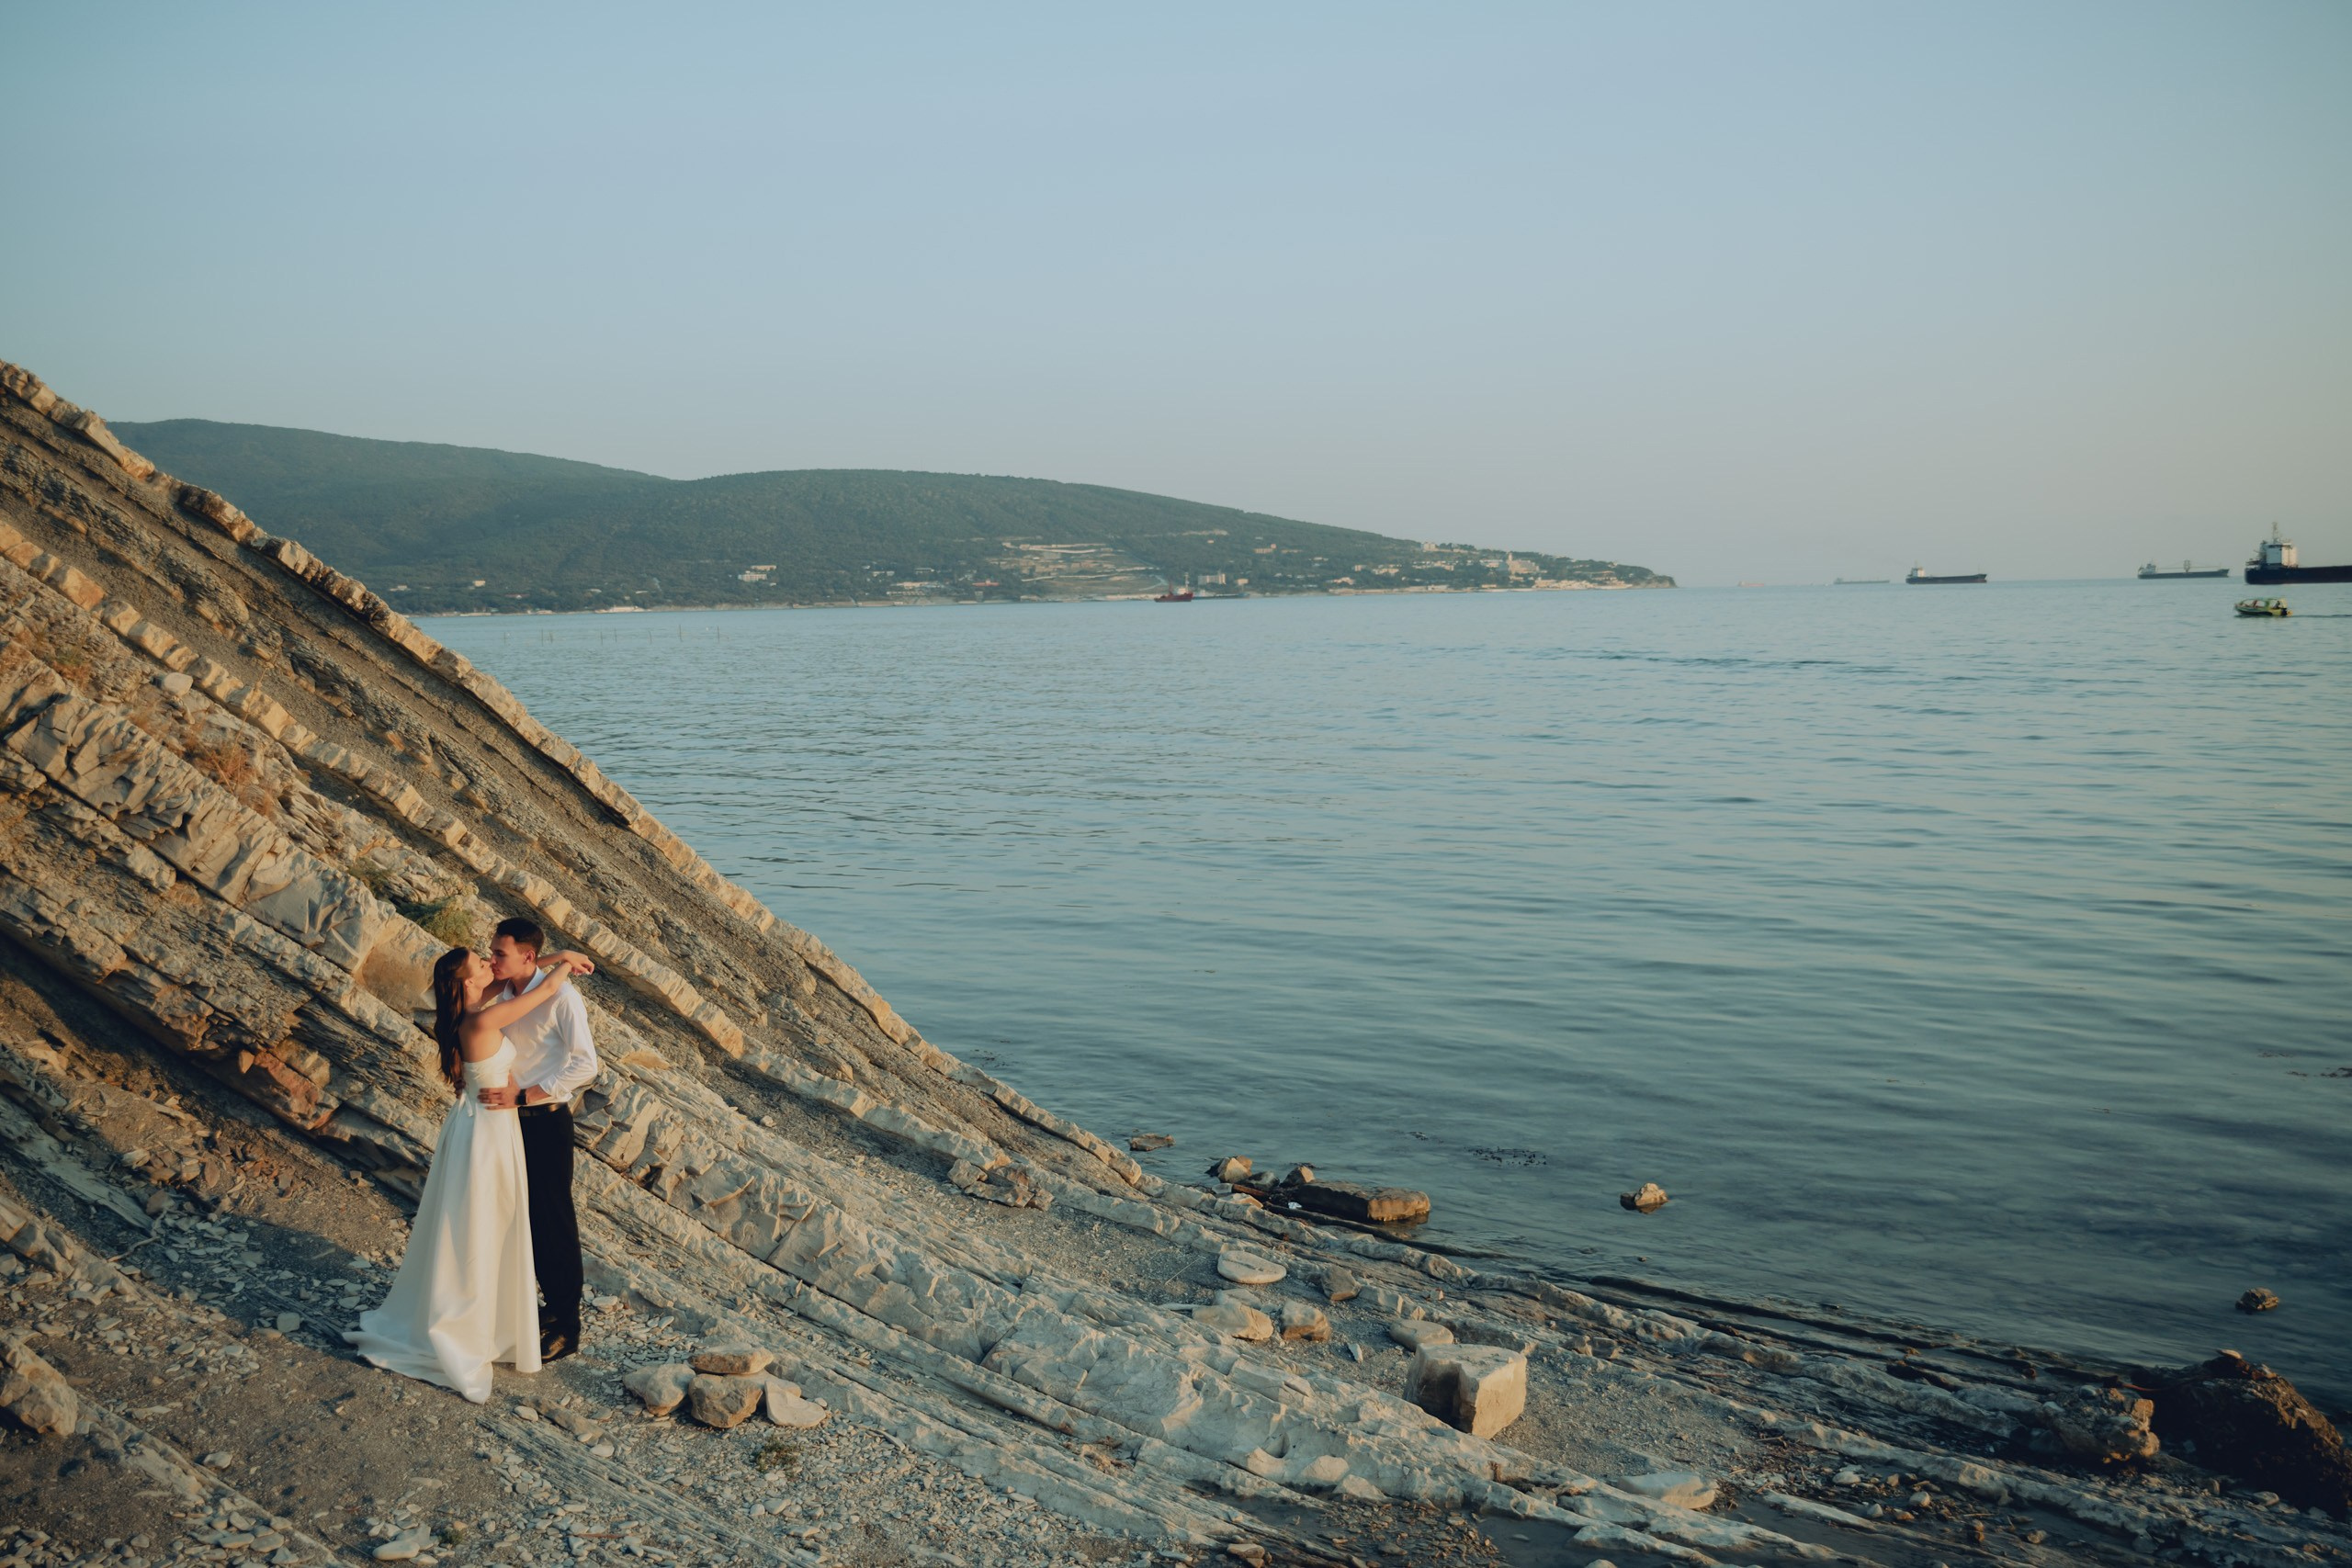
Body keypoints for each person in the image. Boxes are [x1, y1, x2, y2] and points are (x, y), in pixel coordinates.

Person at [344, 942, 591, 1402]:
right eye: (482, 962)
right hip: (489, 1133)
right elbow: (540, 994)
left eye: (492, 956)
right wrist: (565, 965)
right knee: (483, 1224)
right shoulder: (480, 1019)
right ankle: (472, 1319)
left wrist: (552, 955)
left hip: (482, 1126)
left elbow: (510, 980)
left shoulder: (475, 1007)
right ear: (467, 981)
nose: (490, 964)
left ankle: (502, 1315)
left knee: (493, 1221)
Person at [474, 918, 600, 1362]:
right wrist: (559, 956)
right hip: (507, 1123)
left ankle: (567, 1325)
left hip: (544, 1121)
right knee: (516, 1219)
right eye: (491, 952)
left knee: (553, 1222)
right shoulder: (504, 991)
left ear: (526, 956)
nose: (491, 960)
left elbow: (586, 1066)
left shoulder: (563, 998)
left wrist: (525, 1094)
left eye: (499, 954)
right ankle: (539, 1308)